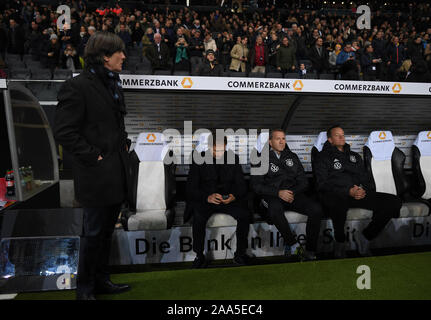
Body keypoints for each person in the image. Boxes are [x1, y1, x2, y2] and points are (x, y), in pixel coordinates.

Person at [54, 32, 132, 300]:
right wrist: (94, 156)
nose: (124, 56)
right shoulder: (77, 86)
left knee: (106, 232)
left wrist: (124, 143)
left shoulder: (114, 83)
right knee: (93, 234)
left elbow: (113, 125)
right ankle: (84, 290)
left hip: (115, 174)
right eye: (119, 52)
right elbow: (64, 132)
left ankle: (102, 281)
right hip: (95, 176)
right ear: (104, 57)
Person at [314, 125, 402, 258]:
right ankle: (340, 242)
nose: (342, 137)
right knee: (338, 204)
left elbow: (365, 178)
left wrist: (361, 189)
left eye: (343, 134)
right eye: (337, 135)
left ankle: (365, 237)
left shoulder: (354, 156)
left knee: (394, 202)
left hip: (357, 194)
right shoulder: (322, 157)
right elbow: (322, 184)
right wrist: (347, 191)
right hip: (335, 194)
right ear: (330, 139)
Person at [250, 129, 323, 261]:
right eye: (278, 139)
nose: (282, 141)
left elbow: (304, 182)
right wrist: (278, 192)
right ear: (270, 142)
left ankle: (310, 250)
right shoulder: (259, 159)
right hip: (272, 196)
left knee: (316, 209)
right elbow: (257, 186)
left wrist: (292, 192)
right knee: (274, 209)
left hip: (293, 194)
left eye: (283, 138)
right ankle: (293, 244)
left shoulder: (292, 157)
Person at [186, 133, 251, 268]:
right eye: (216, 150)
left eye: (222, 149)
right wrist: (207, 197)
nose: (219, 153)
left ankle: (240, 254)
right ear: (209, 146)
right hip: (207, 200)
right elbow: (191, 188)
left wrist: (234, 195)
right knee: (198, 217)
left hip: (228, 200)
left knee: (245, 215)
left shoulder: (233, 158)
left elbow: (241, 185)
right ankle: (199, 255)